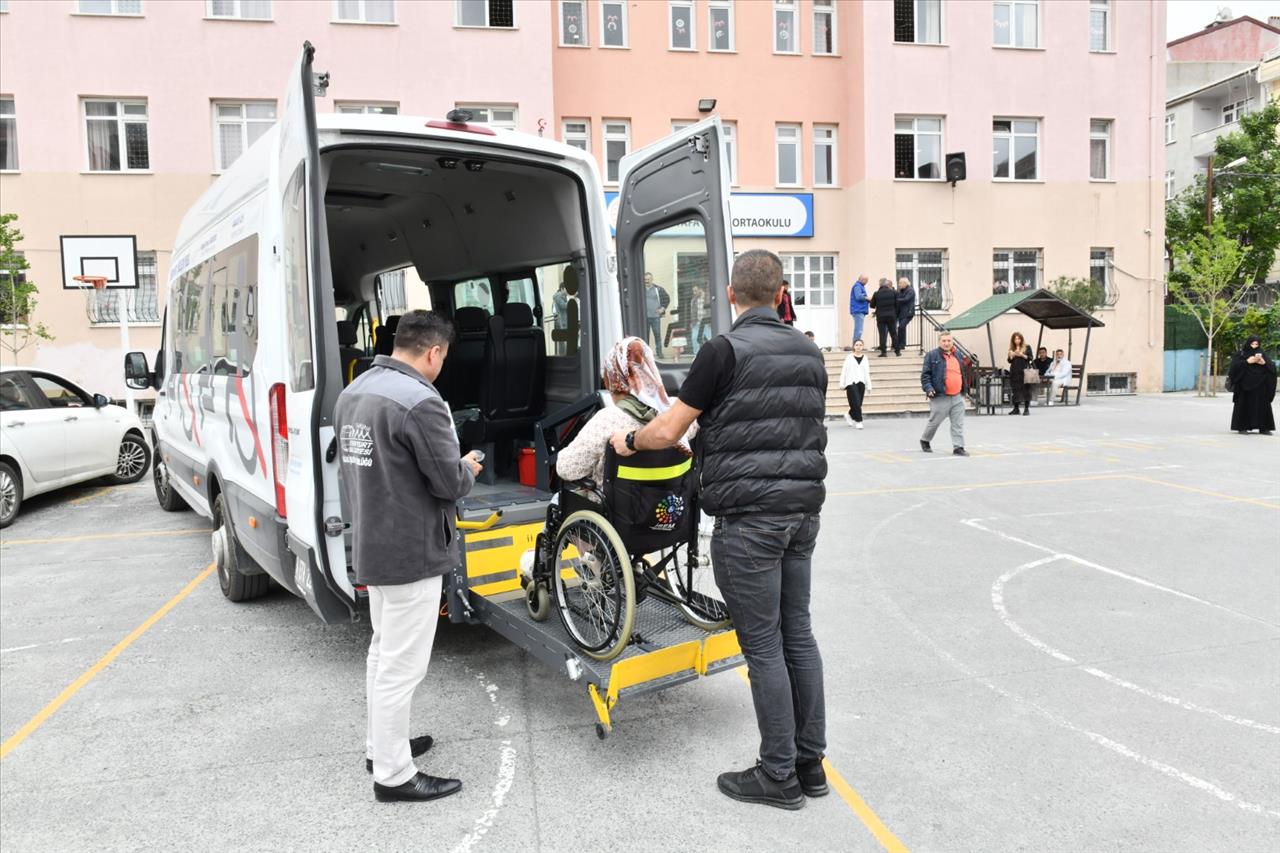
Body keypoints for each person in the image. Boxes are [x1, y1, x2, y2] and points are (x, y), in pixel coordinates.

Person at [608, 249, 828, 811]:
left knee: (763, 647)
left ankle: (777, 774)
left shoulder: (723, 350)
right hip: (802, 516)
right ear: (782, 295)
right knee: (796, 635)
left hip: (750, 521)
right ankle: (810, 764)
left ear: (731, 295)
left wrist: (629, 442)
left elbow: (668, 430)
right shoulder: (809, 351)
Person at [335, 310, 483, 803]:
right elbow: (448, 482)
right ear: (434, 352)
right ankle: (394, 776)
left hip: (373, 542)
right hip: (412, 550)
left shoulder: (355, 391)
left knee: (383, 654)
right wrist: (467, 467)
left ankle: (382, 747)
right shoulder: (422, 401)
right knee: (402, 666)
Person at [555, 336, 693, 487]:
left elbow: (567, 469)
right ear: (651, 370)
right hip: (672, 505)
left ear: (612, 380)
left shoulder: (607, 419)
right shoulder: (678, 412)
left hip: (615, 508)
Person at [920, 331, 968, 456]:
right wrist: (928, 388)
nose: (947, 343)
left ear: (952, 341)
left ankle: (958, 447)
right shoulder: (931, 355)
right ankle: (925, 440)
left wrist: (964, 389)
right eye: (944, 341)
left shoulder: (957, 354)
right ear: (939, 342)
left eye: (949, 341)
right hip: (940, 395)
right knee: (934, 422)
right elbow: (925, 375)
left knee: (958, 423)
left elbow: (961, 372)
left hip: (957, 395)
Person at [1227, 335, 1276, 435]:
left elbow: (1272, 369)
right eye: (1252, 344)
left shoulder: (1263, 354)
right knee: (1243, 405)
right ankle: (1242, 427)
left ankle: (1264, 428)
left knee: (1263, 406)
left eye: (1256, 344)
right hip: (1244, 386)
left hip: (1261, 386)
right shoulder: (1241, 354)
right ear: (1248, 344)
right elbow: (1233, 369)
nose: (1254, 346)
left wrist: (1264, 363)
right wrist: (1247, 362)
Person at [839, 339, 872, 428]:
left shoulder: (865, 358)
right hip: (851, 382)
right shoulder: (849, 357)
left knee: (858, 403)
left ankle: (849, 414)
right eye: (856, 345)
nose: (858, 346)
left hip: (861, 383)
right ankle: (859, 421)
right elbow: (844, 370)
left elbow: (866, 372)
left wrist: (869, 385)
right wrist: (842, 383)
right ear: (854, 346)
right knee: (856, 402)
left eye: (860, 345)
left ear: (862, 346)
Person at [868, 277, 897, 357]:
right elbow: (897, 304)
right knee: (893, 333)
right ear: (887, 284)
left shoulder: (876, 293)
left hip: (881, 317)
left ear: (879, 284)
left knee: (882, 334)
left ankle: (884, 352)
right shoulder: (893, 292)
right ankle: (897, 351)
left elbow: (872, 305)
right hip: (891, 316)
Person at [644, 272, 671, 356]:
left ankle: (659, 353)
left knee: (657, 335)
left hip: (655, 317)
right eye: (645, 280)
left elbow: (667, 298)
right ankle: (645, 354)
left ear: (652, 280)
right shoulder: (640, 289)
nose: (646, 281)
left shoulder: (658, 289)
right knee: (645, 336)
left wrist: (662, 309)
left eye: (648, 279)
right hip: (644, 317)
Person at [1006, 332, 1033, 416]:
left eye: (1018, 338)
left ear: (1021, 339)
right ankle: (1016, 408)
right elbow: (1009, 361)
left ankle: (1026, 408)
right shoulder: (1012, 348)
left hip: (1024, 370)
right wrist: (1012, 355)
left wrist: (1022, 355)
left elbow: (1031, 358)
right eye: (1015, 339)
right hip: (1014, 371)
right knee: (1015, 390)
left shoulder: (1027, 347)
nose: (1017, 340)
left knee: (1026, 390)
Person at [893, 277, 915, 356]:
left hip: (908, 313)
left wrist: (896, 299)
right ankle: (901, 344)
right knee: (902, 327)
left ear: (905, 283)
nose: (899, 285)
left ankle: (901, 344)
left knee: (901, 327)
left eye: (900, 283)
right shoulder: (902, 291)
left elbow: (906, 299)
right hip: (902, 313)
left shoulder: (910, 290)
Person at [690, 282, 711, 355]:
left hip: (706, 323)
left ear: (700, 289)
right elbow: (692, 312)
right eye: (693, 291)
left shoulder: (707, 298)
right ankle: (697, 355)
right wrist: (692, 322)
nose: (694, 292)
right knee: (694, 338)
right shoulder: (694, 300)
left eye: (695, 291)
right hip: (696, 323)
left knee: (711, 338)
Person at [848, 274, 869, 347]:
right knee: (859, 330)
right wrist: (868, 298)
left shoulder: (860, 286)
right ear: (862, 279)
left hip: (859, 310)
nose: (867, 282)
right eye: (866, 280)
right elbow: (858, 297)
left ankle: (856, 345)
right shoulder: (857, 286)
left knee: (859, 329)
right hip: (858, 310)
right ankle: (856, 346)